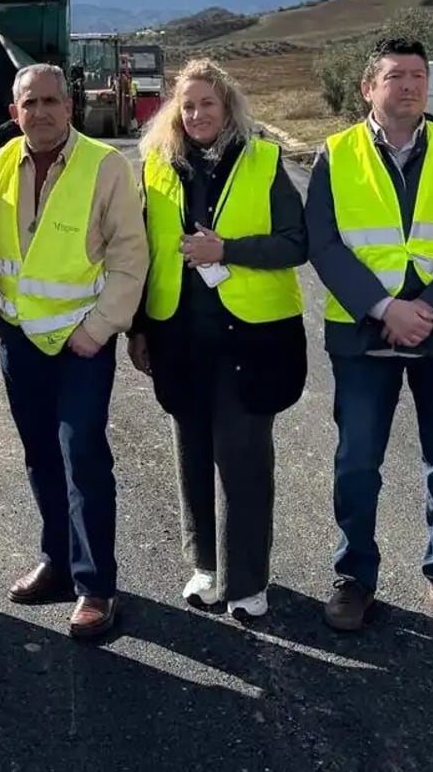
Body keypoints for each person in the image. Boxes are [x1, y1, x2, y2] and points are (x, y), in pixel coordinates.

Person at [304, 36, 433, 633]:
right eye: (395, 76)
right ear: (369, 87)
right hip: (365, 335)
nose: (410, 85)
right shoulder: (335, 155)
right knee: (357, 461)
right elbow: (325, 242)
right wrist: (384, 306)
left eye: (418, 75)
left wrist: (431, 308)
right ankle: (354, 577)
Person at [129, 59, 307, 622]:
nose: (197, 114)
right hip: (179, 335)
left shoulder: (264, 160)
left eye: (208, 104)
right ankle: (204, 567)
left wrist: (226, 250)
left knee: (244, 458)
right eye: (187, 106)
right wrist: (137, 327)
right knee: (192, 454)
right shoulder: (156, 165)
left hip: (252, 338)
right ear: (174, 113)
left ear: (227, 106)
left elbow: (294, 243)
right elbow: (142, 251)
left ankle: (247, 580)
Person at [0, 63, 148, 639]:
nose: (42, 112)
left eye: (52, 101)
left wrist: (99, 328)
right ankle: (57, 560)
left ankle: (97, 585)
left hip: (82, 342)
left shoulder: (105, 166)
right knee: (39, 456)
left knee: (82, 454)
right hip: (19, 339)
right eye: (30, 104)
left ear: (70, 106)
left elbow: (131, 256)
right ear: (15, 112)